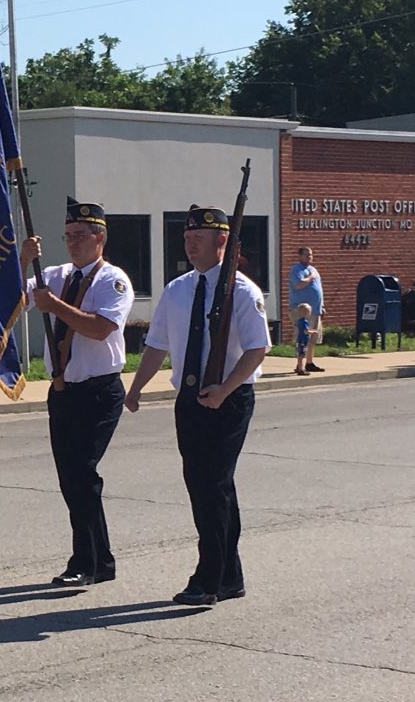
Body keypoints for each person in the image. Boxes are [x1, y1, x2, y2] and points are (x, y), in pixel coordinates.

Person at [125, 205, 270, 607]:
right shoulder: (178, 289)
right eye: (187, 238)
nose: (190, 245)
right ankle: (229, 575)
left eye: (199, 239)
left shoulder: (242, 291)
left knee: (213, 486)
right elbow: (157, 345)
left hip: (229, 399)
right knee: (207, 487)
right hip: (189, 399)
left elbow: (257, 349)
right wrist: (136, 388)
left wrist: (225, 389)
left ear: (222, 241)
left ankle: (208, 579)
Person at [18, 198, 134, 587]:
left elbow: (101, 328)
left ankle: (85, 560)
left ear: (99, 237)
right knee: (71, 478)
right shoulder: (54, 274)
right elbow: (16, 301)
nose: (71, 243)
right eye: (67, 236)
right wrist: (22, 262)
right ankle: (100, 559)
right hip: (62, 391)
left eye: (79, 236)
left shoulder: (112, 280)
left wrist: (57, 306)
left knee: (82, 473)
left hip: (98, 391)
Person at [288, 246, 325, 372]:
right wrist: (310, 278)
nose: (309, 257)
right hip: (302, 310)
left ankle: (309, 362)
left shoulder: (313, 269)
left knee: (313, 338)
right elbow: (298, 285)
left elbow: (318, 289)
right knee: (302, 338)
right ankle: (300, 365)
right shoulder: (296, 269)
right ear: (300, 256)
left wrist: (322, 306)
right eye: (306, 255)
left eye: (311, 254)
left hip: (315, 309)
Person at [294, 303, 317, 376]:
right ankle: (300, 369)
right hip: (303, 341)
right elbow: (306, 331)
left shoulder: (299, 321)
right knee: (301, 355)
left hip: (300, 340)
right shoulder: (304, 321)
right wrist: (313, 332)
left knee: (300, 355)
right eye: (309, 311)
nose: (309, 313)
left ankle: (299, 367)